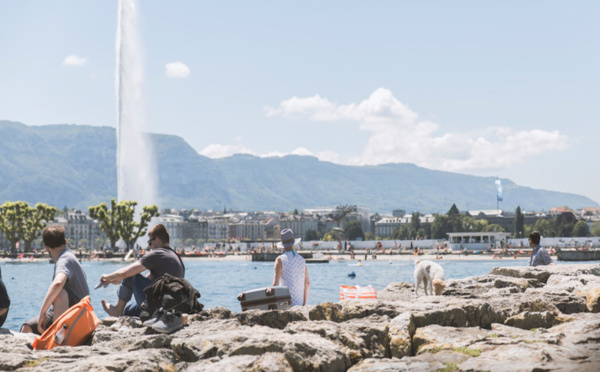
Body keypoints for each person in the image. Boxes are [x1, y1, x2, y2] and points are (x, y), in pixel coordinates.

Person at [99, 224, 184, 317]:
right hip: (171, 306)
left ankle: (117, 310)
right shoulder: (174, 256)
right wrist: (120, 280)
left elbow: (127, 272)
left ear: (157, 240)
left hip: (157, 307)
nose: (150, 247)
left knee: (132, 274)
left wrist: (108, 277)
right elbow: (147, 278)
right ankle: (121, 313)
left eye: (150, 242)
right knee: (127, 311)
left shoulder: (158, 253)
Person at [21, 225, 89, 334]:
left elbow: (58, 283)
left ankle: (57, 340)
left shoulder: (64, 259)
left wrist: (43, 312)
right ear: (65, 241)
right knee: (27, 328)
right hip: (67, 313)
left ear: (46, 247)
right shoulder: (68, 256)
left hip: (76, 317)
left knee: (59, 294)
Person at [268, 229, 310, 306]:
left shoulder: (280, 260)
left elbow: (275, 285)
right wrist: (304, 304)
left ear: (283, 245)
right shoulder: (302, 259)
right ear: (293, 243)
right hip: (299, 305)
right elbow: (307, 284)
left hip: (286, 305)